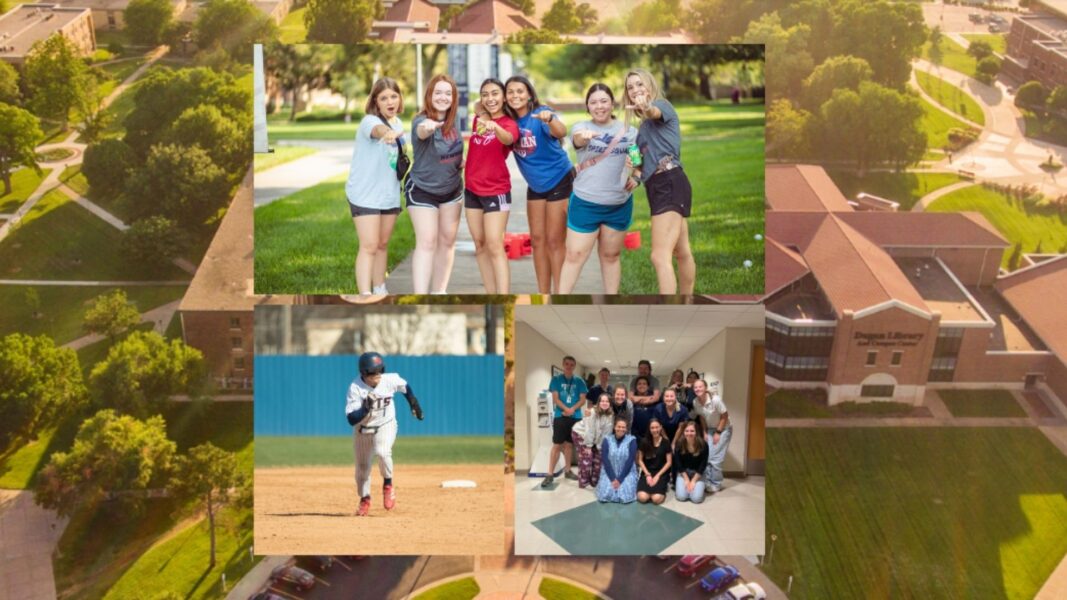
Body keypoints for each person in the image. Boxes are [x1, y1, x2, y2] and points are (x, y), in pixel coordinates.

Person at [558, 83, 639, 294]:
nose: (599, 106)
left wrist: (637, 177)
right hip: (586, 203)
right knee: (574, 256)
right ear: (587, 106)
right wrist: (582, 137)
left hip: (618, 204)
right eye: (593, 102)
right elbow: (576, 140)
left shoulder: (630, 131)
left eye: (604, 101)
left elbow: (639, 162)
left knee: (611, 256)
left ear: (612, 104)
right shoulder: (580, 127)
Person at [623, 68, 695, 295]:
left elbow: (652, 111)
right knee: (681, 251)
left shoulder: (663, 106)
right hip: (658, 186)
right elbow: (639, 157)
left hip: (670, 181)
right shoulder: (640, 130)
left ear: (650, 86)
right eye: (630, 87)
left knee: (658, 255)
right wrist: (635, 175)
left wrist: (645, 106)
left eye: (640, 84)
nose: (635, 90)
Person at [504, 75, 574, 294]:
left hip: (559, 178)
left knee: (554, 241)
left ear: (529, 95)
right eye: (510, 92)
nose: (515, 95)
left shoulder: (540, 113)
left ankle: (561, 293)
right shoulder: (508, 121)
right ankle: (544, 293)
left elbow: (562, 132)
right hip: (535, 184)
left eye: (520, 91)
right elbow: (480, 105)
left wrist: (549, 119)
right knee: (537, 241)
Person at [344, 351, 425, 516]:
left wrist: (413, 403)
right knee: (362, 470)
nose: (378, 375)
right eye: (374, 372)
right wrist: (365, 408)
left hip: (385, 425)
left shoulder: (389, 379)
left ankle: (388, 484)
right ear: (364, 373)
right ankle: (365, 499)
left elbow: (404, 387)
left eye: (380, 370)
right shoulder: (355, 388)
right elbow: (352, 419)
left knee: (383, 452)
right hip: (362, 430)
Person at [345, 78, 406, 296]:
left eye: (393, 96)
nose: (390, 101)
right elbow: (378, 130)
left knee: (382, 244)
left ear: (399, 99)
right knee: (369, 245)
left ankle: (380, 288)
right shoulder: (369, 122)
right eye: (383, 98)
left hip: (388, 194)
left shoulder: (398, 124)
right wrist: (386, 133)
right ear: (375, 102)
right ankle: (365, 294)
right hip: (365, 194)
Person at [407, 74, 463, 294]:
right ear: (429, 95)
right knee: (427, 241)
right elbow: (422, 132)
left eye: (448, 93)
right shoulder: (420, 121)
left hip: (451, 190)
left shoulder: (455, 120)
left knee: (447, 241)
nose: (443, 97)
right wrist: (428, 127)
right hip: (422, 189)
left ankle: (439, 292)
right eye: (438, 92)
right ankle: (421, 295)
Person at [465, 78, 519, 294]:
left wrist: (493, 125)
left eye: (495, 93)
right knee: (479, 244)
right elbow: (478, 107)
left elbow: (507, 140)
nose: (490, 98)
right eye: (485, 94)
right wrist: (484, 116)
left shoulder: (509, 124)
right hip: (472, 189)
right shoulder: (479, 117)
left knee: (495, 245)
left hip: (496, 191)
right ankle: (491, 293)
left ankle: (504, 295)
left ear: (504, 96)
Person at [543, 355, 587, 487]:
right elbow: (555, 399)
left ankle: (568, 470)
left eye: (571, 365)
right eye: (566, 364)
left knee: (569, 445)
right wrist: (566, 409)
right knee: (557, 445)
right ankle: (549, 474)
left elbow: (582, 399)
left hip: (575, 416)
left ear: (574, 366)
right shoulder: (556, 380)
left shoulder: (579, 381)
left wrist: (572, 409)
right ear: (563, 365)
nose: (569, 366)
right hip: (560, 416)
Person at [691, 378, 731, 493]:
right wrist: (704, 432)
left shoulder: (715, 400)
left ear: (705, 388)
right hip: (709, 429)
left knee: (716, 458)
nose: (698, 389)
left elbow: (725, 416)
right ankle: (707, 482)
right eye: (695, 387)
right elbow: (702, 417)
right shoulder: (695, 402)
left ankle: (716, 484)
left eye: (700, 387)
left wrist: (718, 432)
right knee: (707, 456)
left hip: (723, 429)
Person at [571, 393, 615, 488]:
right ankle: (583, 482)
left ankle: (594, 481)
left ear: (610, 404)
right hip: (580, 434)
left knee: (599, 458)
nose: (604, 403)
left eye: (607, 401)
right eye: (602, 401)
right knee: (587, 457)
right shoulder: (592, 412)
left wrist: (600, 447)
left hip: (594, 438)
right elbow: (589, 430)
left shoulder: (610, 416)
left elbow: (606, 434)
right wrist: (588, 446)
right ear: (598, 403)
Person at [596, 417, 638, 503]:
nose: (621, 429)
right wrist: (612, 478)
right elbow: (605, 459)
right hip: (610, 471)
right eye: (619, 426)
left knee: (626, 494)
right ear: (614, 427)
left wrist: (620, 479)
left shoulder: (632, 440)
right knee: (605, 493)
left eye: (623, 427)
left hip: (626, 472)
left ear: (626, 429)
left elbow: (630, 461)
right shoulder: (607, 439)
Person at [636, 418, 672, 505]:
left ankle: (663, 485)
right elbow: (640, 460)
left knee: (656, 499)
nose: (655, 430)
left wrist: (657, 476)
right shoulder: (644, 441)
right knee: (642, 498)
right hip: (647, 472)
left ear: (660, 428)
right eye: (652, 428)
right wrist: (647, 474)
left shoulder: (666, 442)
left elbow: (669, 462)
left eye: (657, 427)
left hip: (661, 472)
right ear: (649, 429)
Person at [673, 419, 709, 503]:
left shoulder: (703, 444)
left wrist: (693, 481)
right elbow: (678, 464)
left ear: (696, 432)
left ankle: (700, 486)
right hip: (683, 472)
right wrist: (686, 480)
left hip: (698, 473)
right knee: (681, 497)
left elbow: (703, 464)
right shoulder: (678, 444)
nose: (689, 433)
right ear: (683, 432)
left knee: (696, 499)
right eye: (687, 431)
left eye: (692, 431)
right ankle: (688, 488)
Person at [630, 375, 655, 439]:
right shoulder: (631, 400)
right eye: (639, 384)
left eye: (644, 384)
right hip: (634, 435)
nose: (642, 386)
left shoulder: (654, 400)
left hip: (651, 435)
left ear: (648, 386)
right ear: (636, 386)